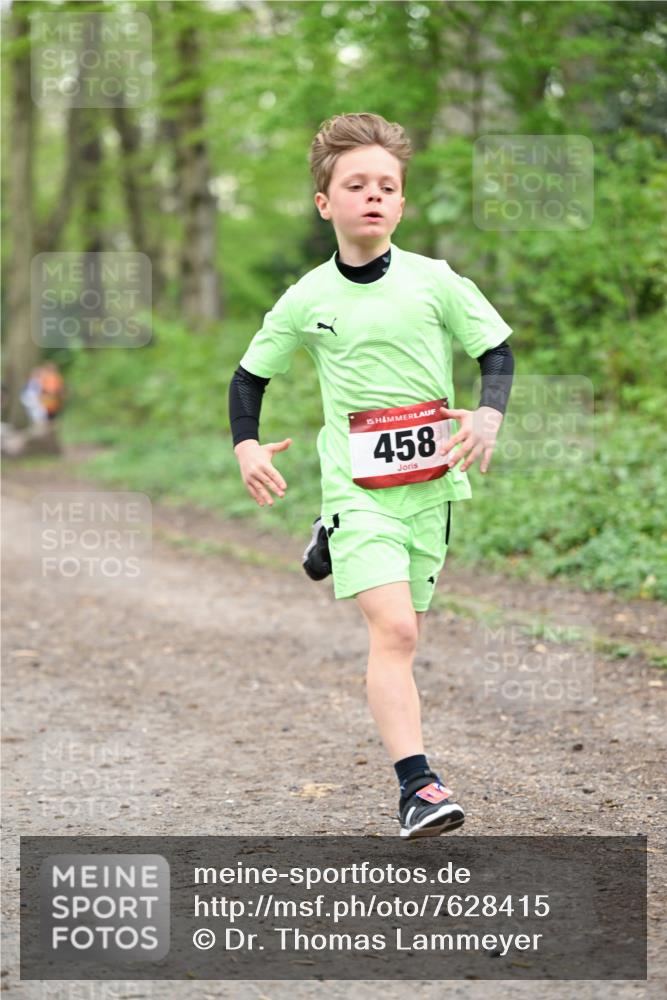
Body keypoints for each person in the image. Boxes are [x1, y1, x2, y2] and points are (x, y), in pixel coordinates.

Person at [229, 113, 514, 839]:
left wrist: (487, 416)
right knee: (394, 631)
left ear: (401, 202)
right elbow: (249, 376)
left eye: (386, 185)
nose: (373, 196)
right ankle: (418, 788)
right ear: (325, 202)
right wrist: (248, 446)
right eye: (355, 185)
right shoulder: (307, 298)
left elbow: (495, 350)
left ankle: (329, 536)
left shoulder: (434, 281)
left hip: (429, 488)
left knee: (408, 627)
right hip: (355, 488)